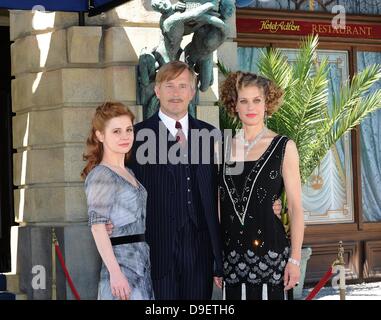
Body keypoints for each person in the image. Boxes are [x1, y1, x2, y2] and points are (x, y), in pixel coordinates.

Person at [215, 71, 305, 300]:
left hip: (272, 259)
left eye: (257, 100)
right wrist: (215, 259)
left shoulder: (284, 147)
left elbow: (295, 208)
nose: (250, 107)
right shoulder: (220, 148)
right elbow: (218, 206)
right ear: (234, 105)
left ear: (267, 103)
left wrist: (295, 259)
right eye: (243, 101)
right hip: (231, 260)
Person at [81, 102, 154, 300]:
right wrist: (115, 274)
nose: (125, 136)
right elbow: (97, 227)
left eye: (128, 129)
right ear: (100, 135)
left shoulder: (128, 172)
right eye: (116, 131)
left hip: (141, 265)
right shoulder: (102, 175)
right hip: (121, 267)